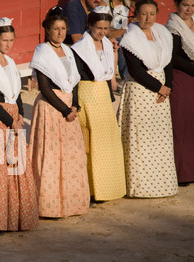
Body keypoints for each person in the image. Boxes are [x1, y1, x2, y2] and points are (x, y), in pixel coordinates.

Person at [0, 17, 39, 232]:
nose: (9, 44)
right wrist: (11, 121)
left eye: (11, 40)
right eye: (4, 40)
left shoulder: (10, 63)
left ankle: (15, 217)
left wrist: (20, 114)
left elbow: (16, 94)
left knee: (15, 167)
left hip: (12, 119)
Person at [28, 7, 90, 218]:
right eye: (55, 29)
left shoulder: (69, 51)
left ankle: (71, 203)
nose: (60, 32)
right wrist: (65, 109)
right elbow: (44, 87)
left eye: (63, 28)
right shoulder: (42, 51)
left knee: (70, 155)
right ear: (47, 30)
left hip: (68, 108)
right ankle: (49, 205)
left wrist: (75, 106)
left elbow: (75, 80)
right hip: (52, 108)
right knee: (51, 156)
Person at [117, 0, 178, 198]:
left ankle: (162, 184)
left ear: (157, 14)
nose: (148, 18)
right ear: (136, 15)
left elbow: (168, 62)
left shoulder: (162, 33)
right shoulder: (130, 37)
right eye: (144, 14)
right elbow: (135, 70)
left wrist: (167, 86)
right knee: (140, 140)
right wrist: (159, 87)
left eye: (152, 14)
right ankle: (140, 187)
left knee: (159, 139)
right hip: (141, 90)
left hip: (162, 91)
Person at [71, 10, 126, 202]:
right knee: (90, 142)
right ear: (90, 26)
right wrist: (76, 103)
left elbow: (110, 73)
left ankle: (109, 188)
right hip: (87, 93)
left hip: (102, 94)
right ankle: (93, 190)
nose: (102, 32)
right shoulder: (79, 48)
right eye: (99, 28)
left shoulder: (107, 44)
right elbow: (75, 79)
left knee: (107, 141)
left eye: (105, 28)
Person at [165, 0, 194, 187]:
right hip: (182, 78)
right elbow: (173, 57)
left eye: (193, 5)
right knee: (182, 125)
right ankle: (183, 173)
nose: (189, 9)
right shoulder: (172, 26)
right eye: (185, 5)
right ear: (176, 4)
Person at [102, 0, 133, 80]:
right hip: (106, 35)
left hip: (122, 34)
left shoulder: (127, 2)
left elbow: (142, 5)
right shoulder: (105, 4)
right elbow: (106, 32)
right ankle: (126, 77)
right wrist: (127, 28)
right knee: (122, 44)